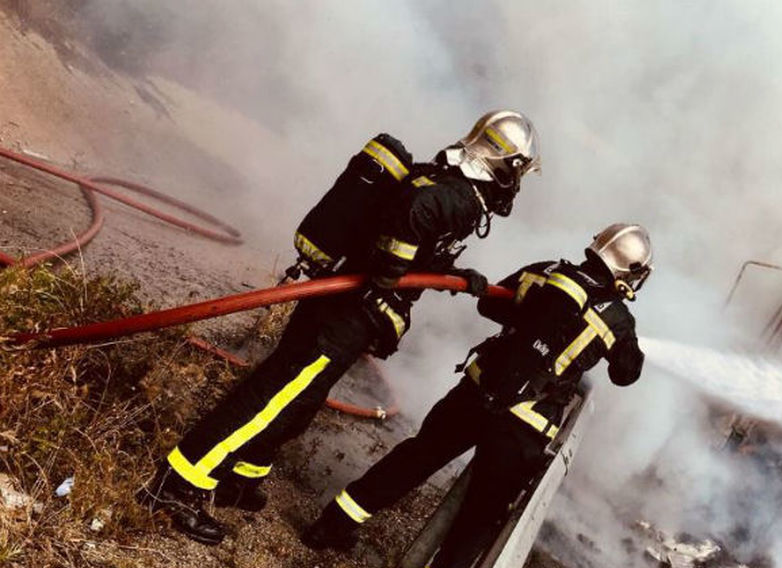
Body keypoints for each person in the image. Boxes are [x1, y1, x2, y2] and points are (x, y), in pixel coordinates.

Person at [139, 110, 541, 546]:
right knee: (273, 397)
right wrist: (390, 271)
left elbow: (417, 237)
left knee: (300, 402)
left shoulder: (450, 182)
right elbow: (414, 214)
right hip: (343, 314)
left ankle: (240, 475)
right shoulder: (454, 195)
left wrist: (454, 276)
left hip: (344, 310)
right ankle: (175, 486)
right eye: (519, 171)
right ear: (506, 165)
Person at [301, 223, 653, 568]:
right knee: (481, 515)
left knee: (415, 458)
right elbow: (626, 373)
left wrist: (529, 318)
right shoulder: (617, 320)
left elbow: (491, 304)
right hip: (524, 426)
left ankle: (332, 525)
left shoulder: (546, 271)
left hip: (476, 393)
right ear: (629, 272)